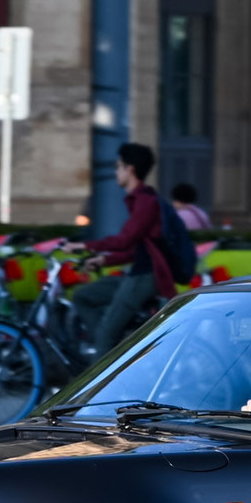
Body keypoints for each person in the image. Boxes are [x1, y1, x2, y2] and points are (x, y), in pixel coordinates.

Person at [71, 142, 176, 353]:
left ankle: (107, 361)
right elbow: (137, 249)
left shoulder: (145, 201)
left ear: (130, 169)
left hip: (146, 276)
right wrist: (103, 260)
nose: (115, 172)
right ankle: (113, 344)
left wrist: (83, 245)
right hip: (137, 273)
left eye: (118, 166)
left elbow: (124, 240)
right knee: (83, 296)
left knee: (105, 337)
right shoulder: (137, 200)